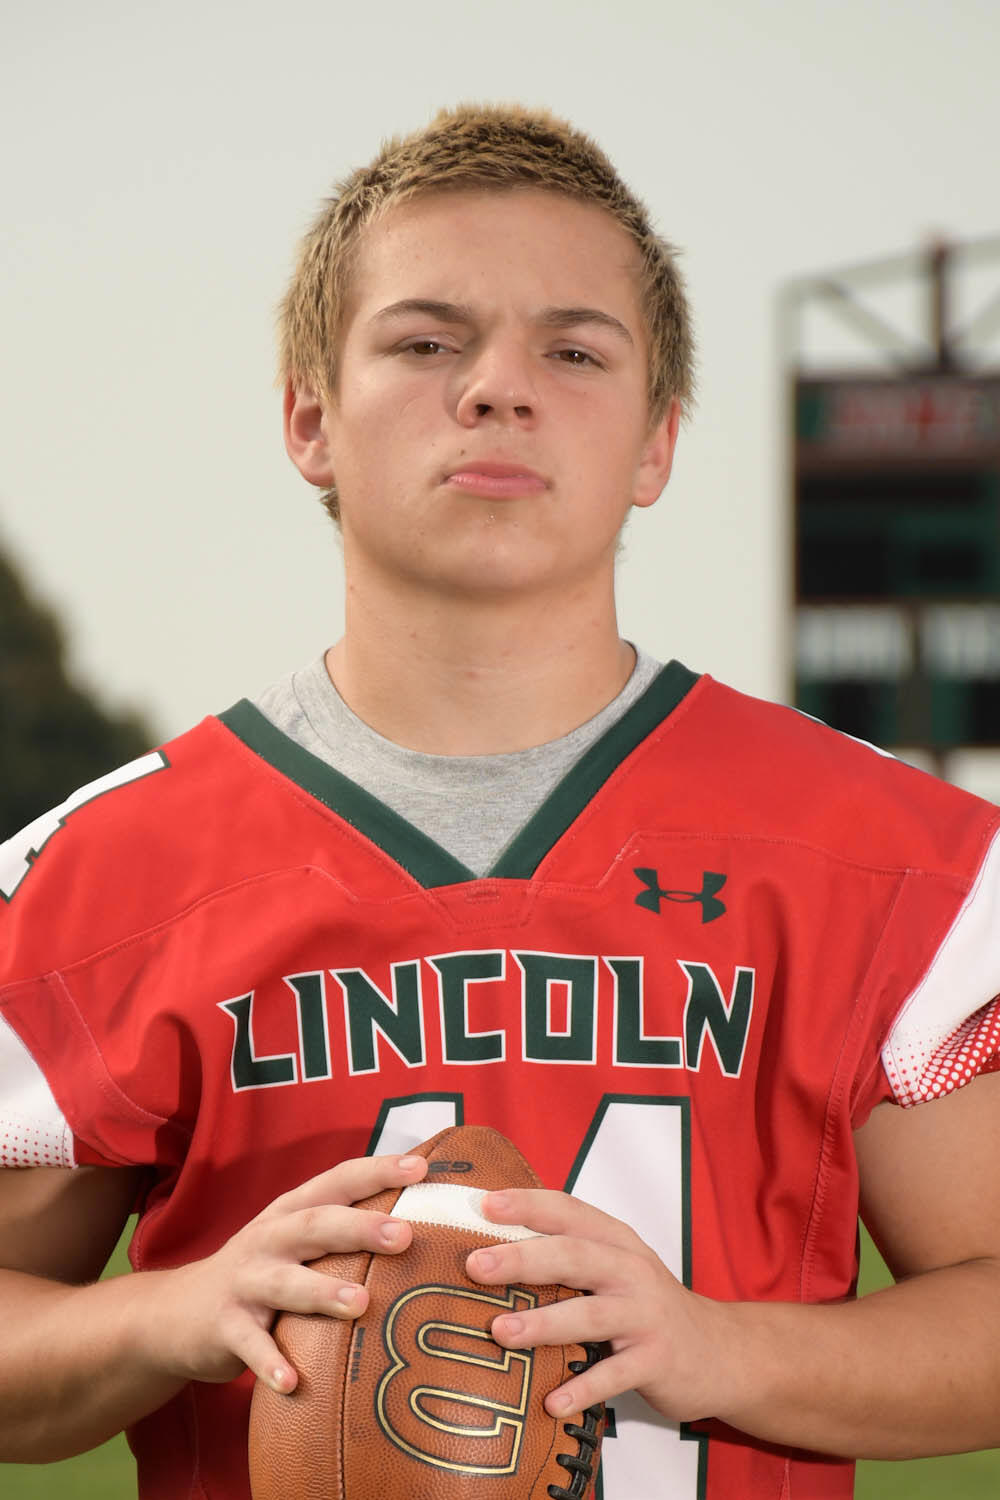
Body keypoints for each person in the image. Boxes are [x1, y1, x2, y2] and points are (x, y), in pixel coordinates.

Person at [1, 103, 999, 1500]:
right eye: (426, 342)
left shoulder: (885, 855)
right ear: (310, 420)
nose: (497, 390)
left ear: (655, 444)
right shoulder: (103, 870)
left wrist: (720, 1348)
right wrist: (173, 1313)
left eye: (573, 351)